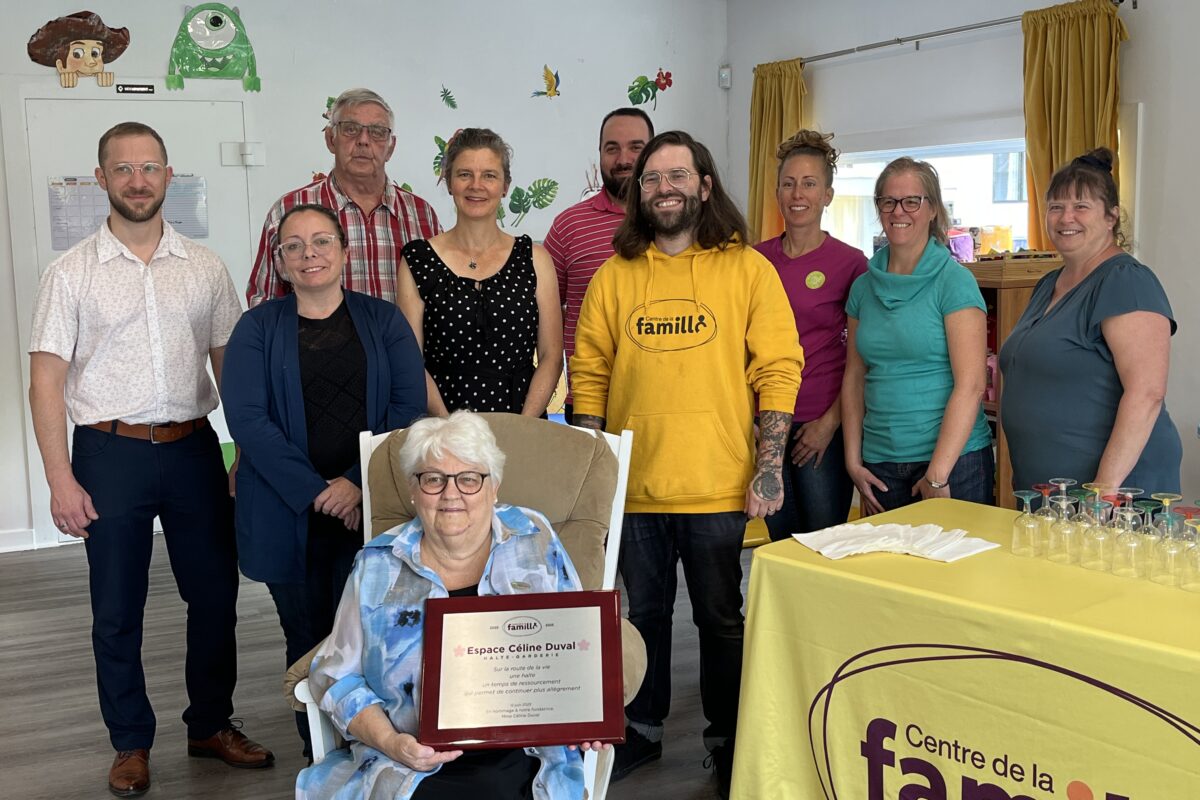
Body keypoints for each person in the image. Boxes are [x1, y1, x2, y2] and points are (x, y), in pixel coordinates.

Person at [27, 122, 273, 798]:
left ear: (169, 176)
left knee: (215, 594)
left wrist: (244, 452)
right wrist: (59, 478)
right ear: (101, 178)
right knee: (117, 605)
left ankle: (210, 724)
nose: (138, 180)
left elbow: (232, 367)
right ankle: (130, 742)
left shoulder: (206, 267)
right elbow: (46, 380)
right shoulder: (70, 272)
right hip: (108, 453)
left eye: (150, 168)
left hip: (193, 447)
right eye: (123, 169)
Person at [570, 130, 804, 797]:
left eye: (677, 175)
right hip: (634, 487)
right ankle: (641, 730)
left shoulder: (746, 269)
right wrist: (593, 474)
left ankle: (727, 739)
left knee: (720, 617)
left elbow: (779, 367)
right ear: (637, 192)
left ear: (705, 185)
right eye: (651, 178)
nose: (663, 187)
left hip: (717, 484)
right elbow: (589, 371)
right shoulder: (616, 276)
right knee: (643, 615)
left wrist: (769, 467)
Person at [295, 411, 606, 799]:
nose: (451, 494)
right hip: (412, 756)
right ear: (413, 489)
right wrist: (392, 743)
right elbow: (334, 676)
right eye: (433, 479)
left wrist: (590, 714)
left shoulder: (533, 536)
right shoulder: (377, 564)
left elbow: (579, 641)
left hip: (526, 748)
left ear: (494, 487)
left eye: (469, 479)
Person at [221, 203, 427, 756]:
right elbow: (247, 420)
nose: (308, 253)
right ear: (281, 261)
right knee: (309, 638)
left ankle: (378, 750)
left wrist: (356, 482)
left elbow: (407, 409)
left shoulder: (383, 321)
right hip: (288, 514)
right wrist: (320, 491)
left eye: (321, 242)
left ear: (344, 251)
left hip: (371, 508)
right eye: (294, 246)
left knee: (377, 637)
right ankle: (323, 754)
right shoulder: (256, 328)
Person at [1000, 148, 1182, 492]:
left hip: (1112, 495)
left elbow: (1147, 393)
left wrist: (1104, 488)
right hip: (1053, 493)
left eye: (1081, 207)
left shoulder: (1126, 280)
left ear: (1111, 217)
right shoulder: (1047, 284)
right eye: (1056, 207)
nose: (1066, 218)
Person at [841, 157, 994, 514]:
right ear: (878, 208)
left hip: (954, 464)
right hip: (880, 466)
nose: (899, 211)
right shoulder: (863, 288)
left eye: (912, 201)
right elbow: (854, 377)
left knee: (953, 571)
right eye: (888, 201)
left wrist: (938, 474)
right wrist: (853, 460)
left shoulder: (954, 282)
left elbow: (970, 385)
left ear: (932, 209)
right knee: (883, 571)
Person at [397, 128, 563, 417]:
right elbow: (412, 362)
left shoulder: (535, 259)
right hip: (444, 431)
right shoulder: (417, 260)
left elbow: (551, 357)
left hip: (521, 423)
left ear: (505, 186)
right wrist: (452, 431)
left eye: (489, 175)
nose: (477, 185)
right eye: (464, 174)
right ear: (449, 182)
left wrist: (522, 427)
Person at [753, 130, 867, 538]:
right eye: (788, 183)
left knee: (824, 541)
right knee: (781, 542)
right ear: (777, 192)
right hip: (766, 424)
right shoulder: (754, 260)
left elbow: (863, 357)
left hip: (822, 427)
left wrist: (830, 423)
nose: (797, 193)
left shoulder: (851, 264)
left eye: (809, 183)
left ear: (828, 194)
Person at [246, 87, 441, 307]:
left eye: (377, 131)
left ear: (390, 147)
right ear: (331, 139)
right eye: (350, 129)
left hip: (403, 342)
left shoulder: (422, 214)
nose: (363, 141)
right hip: (314, 342)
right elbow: (263, 300)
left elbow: (440, 297)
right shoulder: (289, 210)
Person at [544, 108, 653, 423]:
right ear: (600, 154)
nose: (624, 158)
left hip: (664, 400)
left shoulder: (676, 223)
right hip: (589, 404)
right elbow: (544, 311)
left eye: (636, 147)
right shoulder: (569, 225)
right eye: (612, 148)